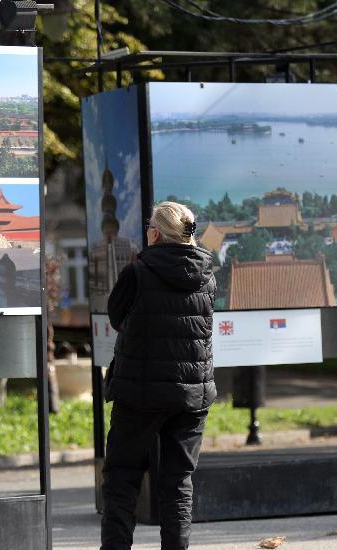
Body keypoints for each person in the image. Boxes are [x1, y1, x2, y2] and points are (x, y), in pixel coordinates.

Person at [100, 201, 217, 550]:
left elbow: (117, 318)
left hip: (140, 393)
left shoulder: (137, 273)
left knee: (122, 480)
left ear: (154, 233)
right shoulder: (207, 274)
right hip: (192, 395)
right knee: (178, 483)